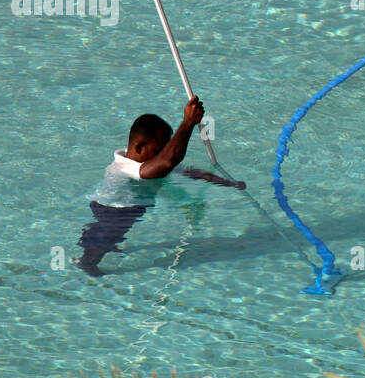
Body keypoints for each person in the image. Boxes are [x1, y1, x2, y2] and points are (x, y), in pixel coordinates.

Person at [77, 95, 245, 275]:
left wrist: (228, 183)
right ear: (140, 147)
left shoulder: (150, 161)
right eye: (159, 150)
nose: (163, 154)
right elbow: (167, 162)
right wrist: (188, 122)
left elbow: (193, 173)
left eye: (165, 150)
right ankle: (86, 264)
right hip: (113, 210)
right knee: (103, 239)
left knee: (109, 236)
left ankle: (99, 245)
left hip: (129, 208)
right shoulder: (123, 168)